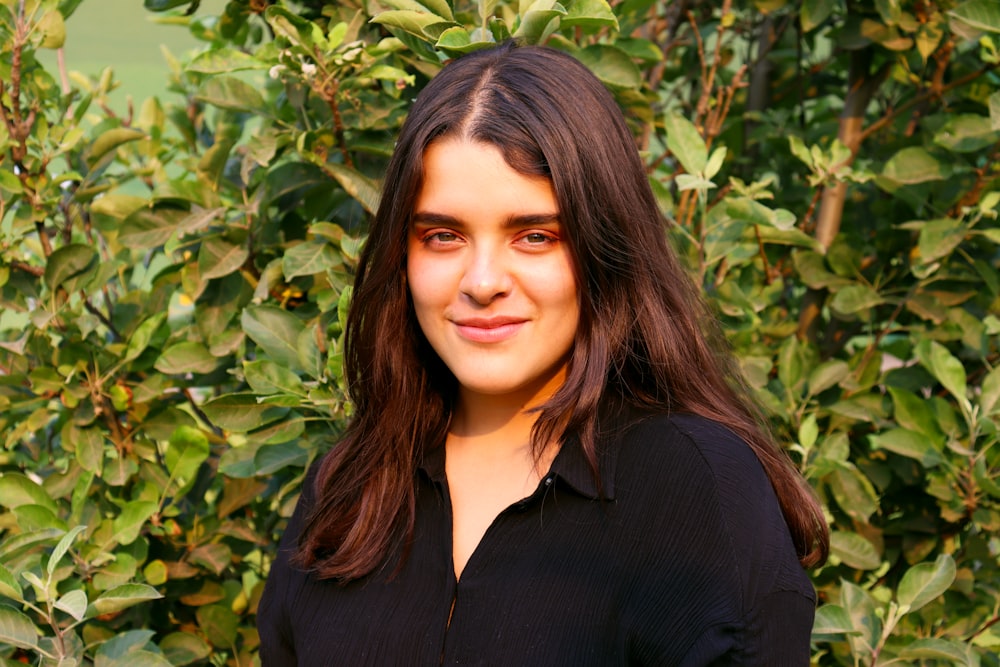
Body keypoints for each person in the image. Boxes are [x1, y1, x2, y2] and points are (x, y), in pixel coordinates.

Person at [257, 41, 829, 666]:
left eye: (535, 236)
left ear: (604, 247)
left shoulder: (697, 493)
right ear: (402, 254)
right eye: (442, 236)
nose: (481, 281)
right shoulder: (349, 490)